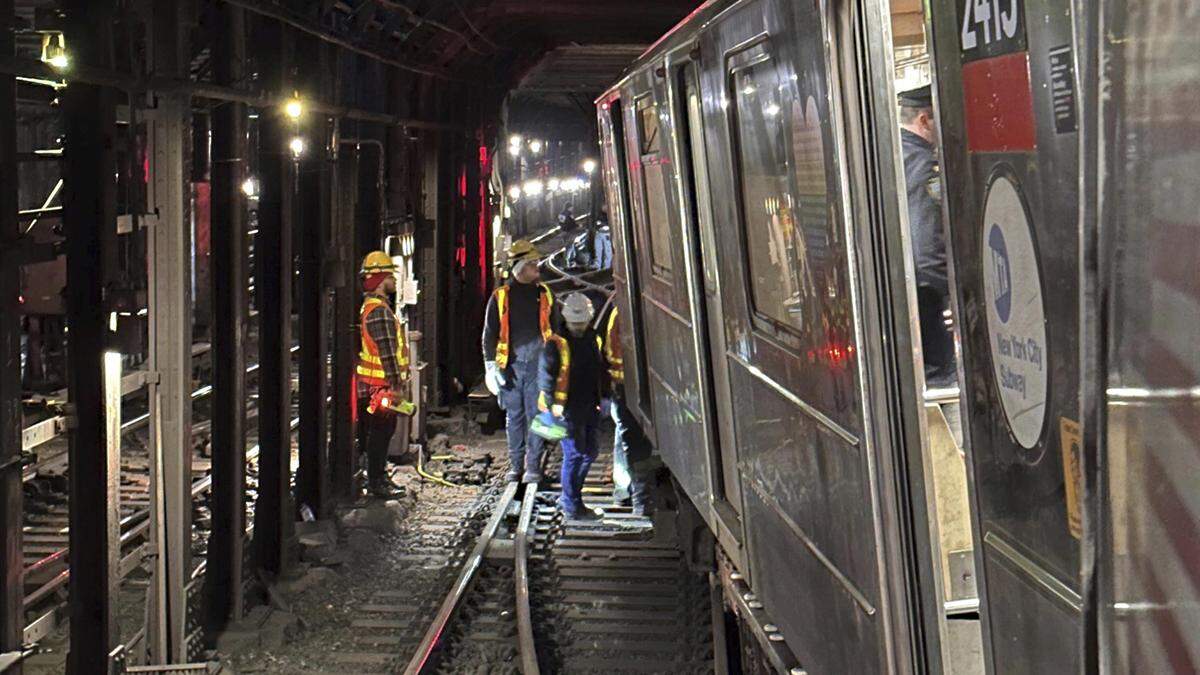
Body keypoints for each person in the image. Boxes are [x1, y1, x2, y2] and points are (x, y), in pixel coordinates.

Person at [482, 239, 555, 482]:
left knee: (536, 415)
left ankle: (532, 467)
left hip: (538, 366)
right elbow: (489, 334)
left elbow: (557, 331)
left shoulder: (544, 295)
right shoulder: (501, 297)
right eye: (533, 263)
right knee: (514, 416)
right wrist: (491, 366)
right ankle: (516, 466)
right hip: (511, 366)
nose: (537, 268)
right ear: (520, 267)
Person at [899, 84, 957, 388]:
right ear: (924, 120)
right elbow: (926, 247)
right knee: (944, 388)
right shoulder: (924, 164)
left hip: (907, 300)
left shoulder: (896, 154)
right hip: (929, 304)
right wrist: (955, 293)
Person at [538, 293, 605, 521]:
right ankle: (571, 504)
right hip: (566, 409)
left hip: (588, 404)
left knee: (589, 453)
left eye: (582, 323)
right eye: (576, 323)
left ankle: (571, 498)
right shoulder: (555, 344)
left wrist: (604, 395)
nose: (579, 327)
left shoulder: (592, 338)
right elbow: (546, 378)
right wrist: (552, 407)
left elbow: (599, 368)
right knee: (575, 454)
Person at [356, 251, 413, 498]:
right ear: (380, 278)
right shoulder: (380, 311)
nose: (393, 279)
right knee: (381, 433)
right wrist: (397, 385)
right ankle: (378, 483)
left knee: (377, 433)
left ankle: (377, 479)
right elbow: (388, 352)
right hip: (380, 386)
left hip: (373, 385)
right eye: (390, 274)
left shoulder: (370, 307)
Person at [599, 297, 649, 516]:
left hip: (624, 387)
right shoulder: (620, 315)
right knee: (631, 440)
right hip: (625, 387)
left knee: (624, 437)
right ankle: (636, 498)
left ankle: (624, 490)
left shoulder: (618, 314)